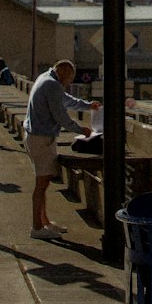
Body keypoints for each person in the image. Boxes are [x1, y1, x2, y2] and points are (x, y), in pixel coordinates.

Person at [22, 60, 95, 240]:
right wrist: (81, 130)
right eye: (70, 77)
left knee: (43, 182)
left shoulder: (45, 78)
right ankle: (36, 227)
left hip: (35, 135)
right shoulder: (53, 85)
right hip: (42, 138)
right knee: (41, 185)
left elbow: (65, 100)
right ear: (62, 72)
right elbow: (61, 116)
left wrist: (87, 105)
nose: (70, 81)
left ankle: (44, 222)